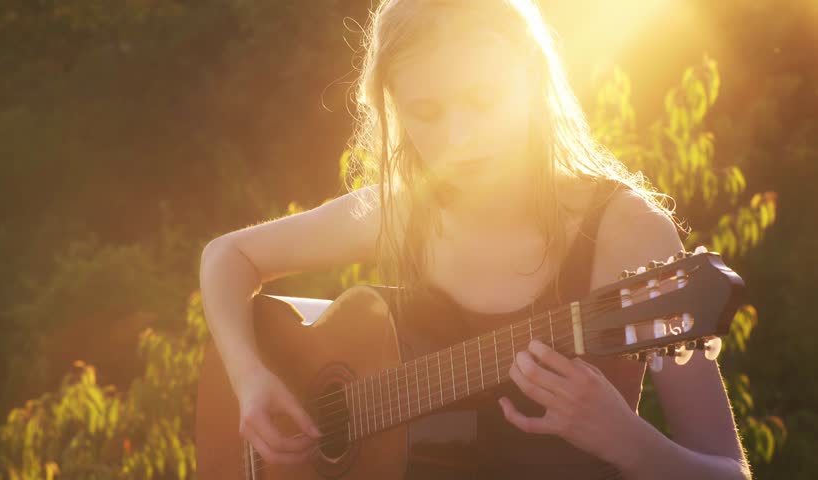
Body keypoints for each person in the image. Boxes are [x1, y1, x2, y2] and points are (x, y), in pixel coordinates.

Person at [198, 0, 751, 478]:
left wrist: (627, 440)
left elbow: (730, 474)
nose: (459, 138)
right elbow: (228, 255)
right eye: (426, 112)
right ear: (394, 109)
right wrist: (250, 380)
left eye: (483, 99)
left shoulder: (625, 233)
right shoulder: (404, 210)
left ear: (533, 81)